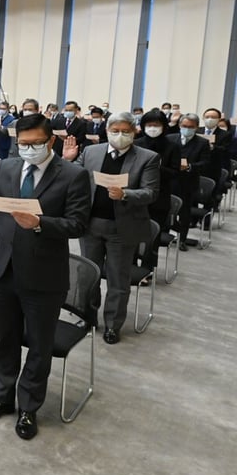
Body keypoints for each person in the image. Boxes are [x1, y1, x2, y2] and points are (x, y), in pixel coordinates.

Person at [0, 113, 90, 439]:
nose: (29, 149)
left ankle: (29, 408)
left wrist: (39, 224)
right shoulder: (7, 167)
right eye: (23, 144)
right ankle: (2, 398)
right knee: (6, 340)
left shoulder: (72, 175)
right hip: (2, 270)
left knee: (38, 344)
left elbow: (78, 224)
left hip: (44, 276)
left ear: (50, 141)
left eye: (35, 143)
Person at [62, 112, 160, 344]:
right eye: (115, 130)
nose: (120, 135)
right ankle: (87, 317)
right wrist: (68, 160)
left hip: (122, 227)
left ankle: (113, 325)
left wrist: (125, 194)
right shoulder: (91, 152)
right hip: (91, 224)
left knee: (118, 278)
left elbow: (151, 192)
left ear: (134, 131)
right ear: (106, 131)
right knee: (88, 274)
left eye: (126, 131)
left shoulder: (148, 157)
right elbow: (73, 177)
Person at [134, 109, 180, 268]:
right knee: (132, 232)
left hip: (160, 196)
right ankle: (131, 264)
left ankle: (148, 268)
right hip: (137, 194)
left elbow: (175, 172)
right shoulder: (137, 144)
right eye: (149, 124)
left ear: (163, 126)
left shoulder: (172, 146)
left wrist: (154, 167)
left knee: (153, 235)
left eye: (156, 125)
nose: (152, 128)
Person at [167, 113, 211, 250]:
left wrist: (191, 166)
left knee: (184, 212)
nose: (186, 129)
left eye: (190, 127)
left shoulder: (202, 143)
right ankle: (166, 234)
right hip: (170, 180)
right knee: (167, 210)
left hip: (188, 182)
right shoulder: (170, 138)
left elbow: (205, 162)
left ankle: (182, 239)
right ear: (180, 125)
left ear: (196, 127)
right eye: (184, 126)